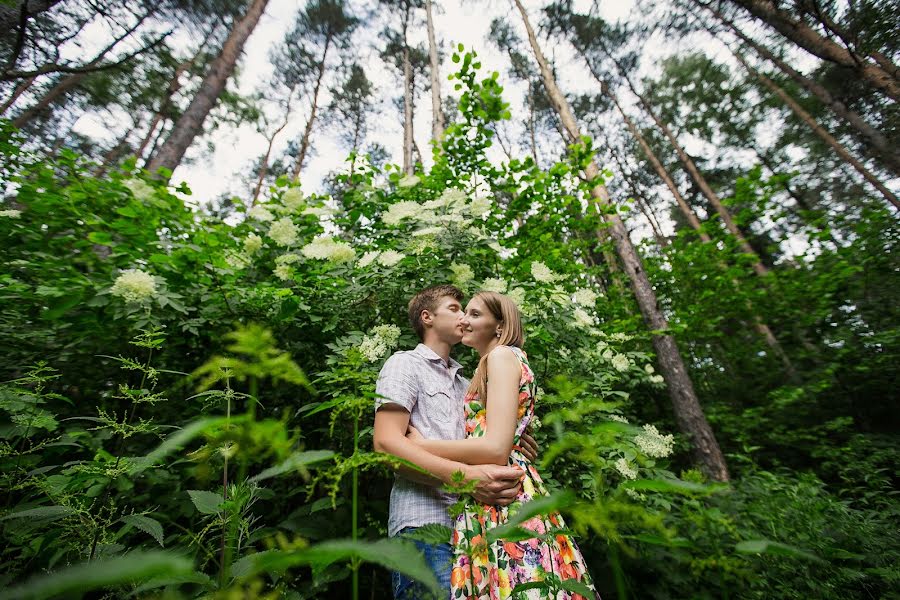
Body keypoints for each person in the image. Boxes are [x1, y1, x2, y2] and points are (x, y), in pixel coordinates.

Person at [405, 291, 599, 599]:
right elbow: (505, 434)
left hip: (504, 493)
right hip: (500, 486)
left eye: (475, 314)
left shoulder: (501, 356)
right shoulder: (495, 363)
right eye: (463, 312)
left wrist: (420, 446)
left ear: (500, 325)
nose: (464, 320)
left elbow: (495, 447)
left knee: (521, 584)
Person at [373, 285, 539, 599]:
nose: (463, 317)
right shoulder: (404, 365)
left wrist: (519, 441)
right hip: (423, 522)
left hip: (476, 528)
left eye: (470, 311)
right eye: (454, 308)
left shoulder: (471, 383)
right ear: (427, 317)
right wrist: (466, 480)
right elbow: (385, 446)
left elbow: (495, 440)